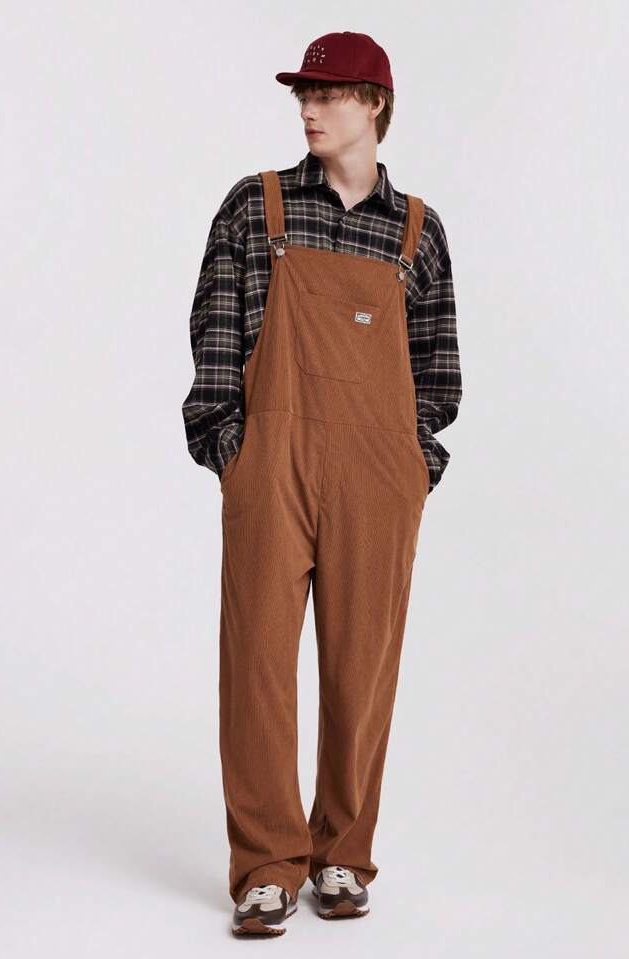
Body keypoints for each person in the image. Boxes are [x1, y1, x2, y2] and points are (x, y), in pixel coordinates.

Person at [181, 30, 462, 937]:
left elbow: (437, 371)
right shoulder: (255, 206)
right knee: (257, 666)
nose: (309, 108)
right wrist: (231, 449)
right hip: (272, 459)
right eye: (303, 93)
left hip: (378, 476)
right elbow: (216, 336)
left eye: (329, 94)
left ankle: (343, 854)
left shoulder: (417, 230)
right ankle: (267, 865)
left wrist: (415, 464)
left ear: (375, 104)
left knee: (362, 668)